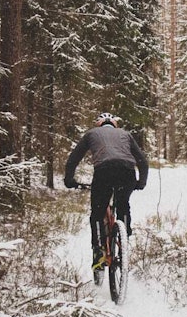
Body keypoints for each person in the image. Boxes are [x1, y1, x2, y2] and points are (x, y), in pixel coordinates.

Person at [64, 112, 149, 275]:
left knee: (98, 212)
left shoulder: (91, 134)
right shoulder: (126, 134)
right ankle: (124, 240)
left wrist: (70, 180)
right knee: (123, 203)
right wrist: (141, 183)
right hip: (127, 173)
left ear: (99, 124)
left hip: (104, 172)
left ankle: (98, 253)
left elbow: (74, 159)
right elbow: (142, 161)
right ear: (115, 125)